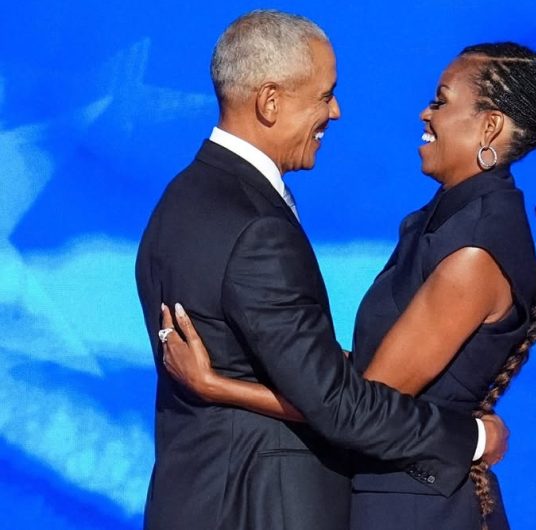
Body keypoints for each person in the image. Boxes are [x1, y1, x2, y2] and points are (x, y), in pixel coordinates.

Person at [160, 41, 536, 529]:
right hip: (389, 495)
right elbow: (363, 381)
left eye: (440, 101)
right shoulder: (441, 223)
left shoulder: (474, 252)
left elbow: (357, 408)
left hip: (415, 508)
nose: (426, 113)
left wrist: (217, 385)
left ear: (490, 126)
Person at [135, 10, 506, 530]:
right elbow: (337, 407)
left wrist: (219, 383)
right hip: (261, 510)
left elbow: (285, 363)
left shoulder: (182, 199)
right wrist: (474, 437)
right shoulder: (255, 227)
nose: (335, 112)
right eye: (324, 95)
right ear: (269, 101)